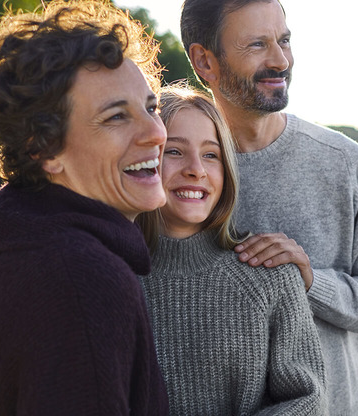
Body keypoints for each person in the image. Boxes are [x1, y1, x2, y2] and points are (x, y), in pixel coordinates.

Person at [0, 1, 170, 414]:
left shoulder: (6, 229)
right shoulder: (86, 281)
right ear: (44, 148)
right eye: (117, 116)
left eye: (152, 107)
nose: (156, 132)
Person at [180, 0, 358, 413]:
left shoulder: (341, 159)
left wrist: (310, 282)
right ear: (205, 61)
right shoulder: (181, 176)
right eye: (257, 45)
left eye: (284, 40)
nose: (281, 60)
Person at [135, 83, 327, 415]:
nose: (196, 168)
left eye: (212, 154)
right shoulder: (113, 276)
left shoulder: (270, 274)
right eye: (174, 151)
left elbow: (308, 399)